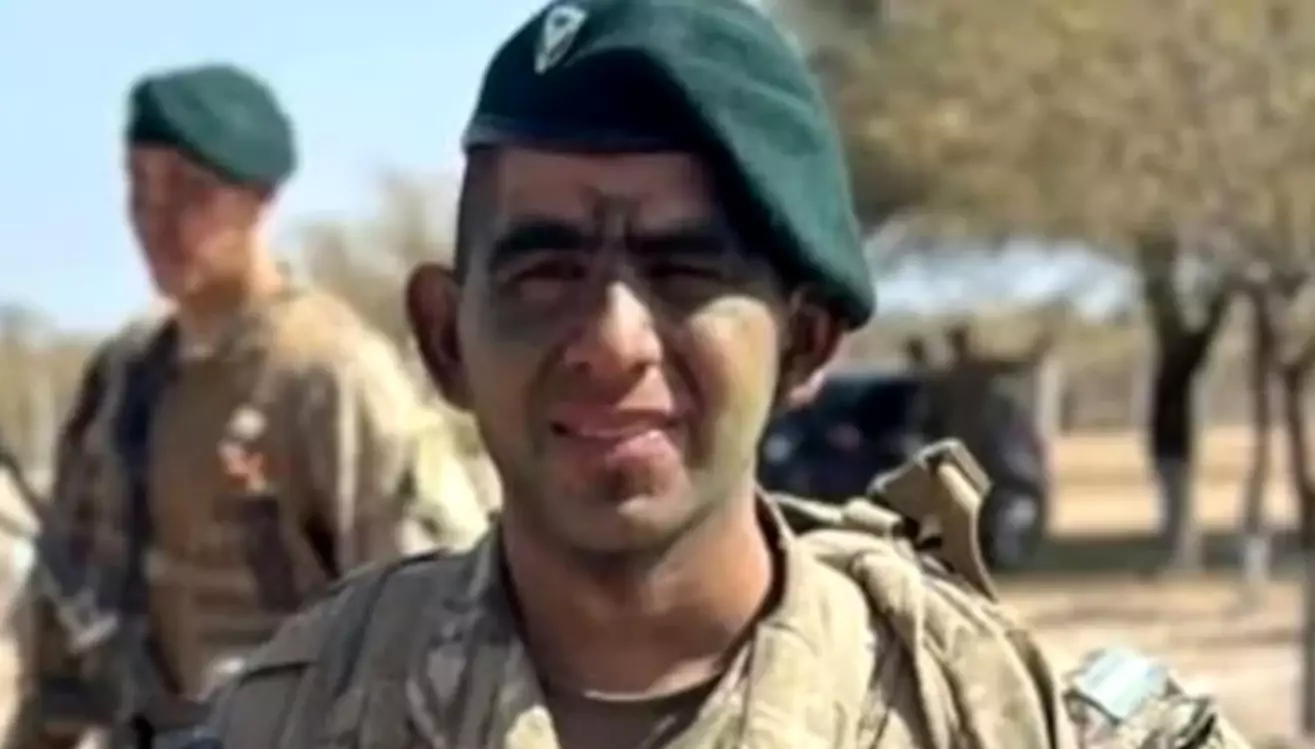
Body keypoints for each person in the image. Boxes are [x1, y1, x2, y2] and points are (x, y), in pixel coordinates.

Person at [200, 2, 1252, 747]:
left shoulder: (988, 716)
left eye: (685, 271)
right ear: (444, 339)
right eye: (546, 269)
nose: (612, 339)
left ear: (805, 343)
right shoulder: (297, 717)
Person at [19, 63, 488, 748]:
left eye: (190, 191)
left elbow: (440, 608)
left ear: (258, 200)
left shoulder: (328, 374)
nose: (155, 219)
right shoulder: (124, 378)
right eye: (140, 187)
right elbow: (60, 620)